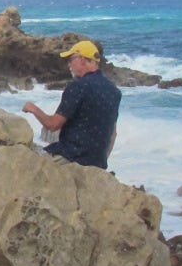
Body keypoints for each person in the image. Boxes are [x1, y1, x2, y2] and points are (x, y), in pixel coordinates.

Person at [21, 39, 121, 170]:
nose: (68, 65)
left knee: (23, 164)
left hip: (71, 157)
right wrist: (100, 165)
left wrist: (33, 108)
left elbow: (53, 125)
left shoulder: (78, 87)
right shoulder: (114, 91)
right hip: (98, 162)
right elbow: (113, 134)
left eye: (71, 60)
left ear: (82, 59)